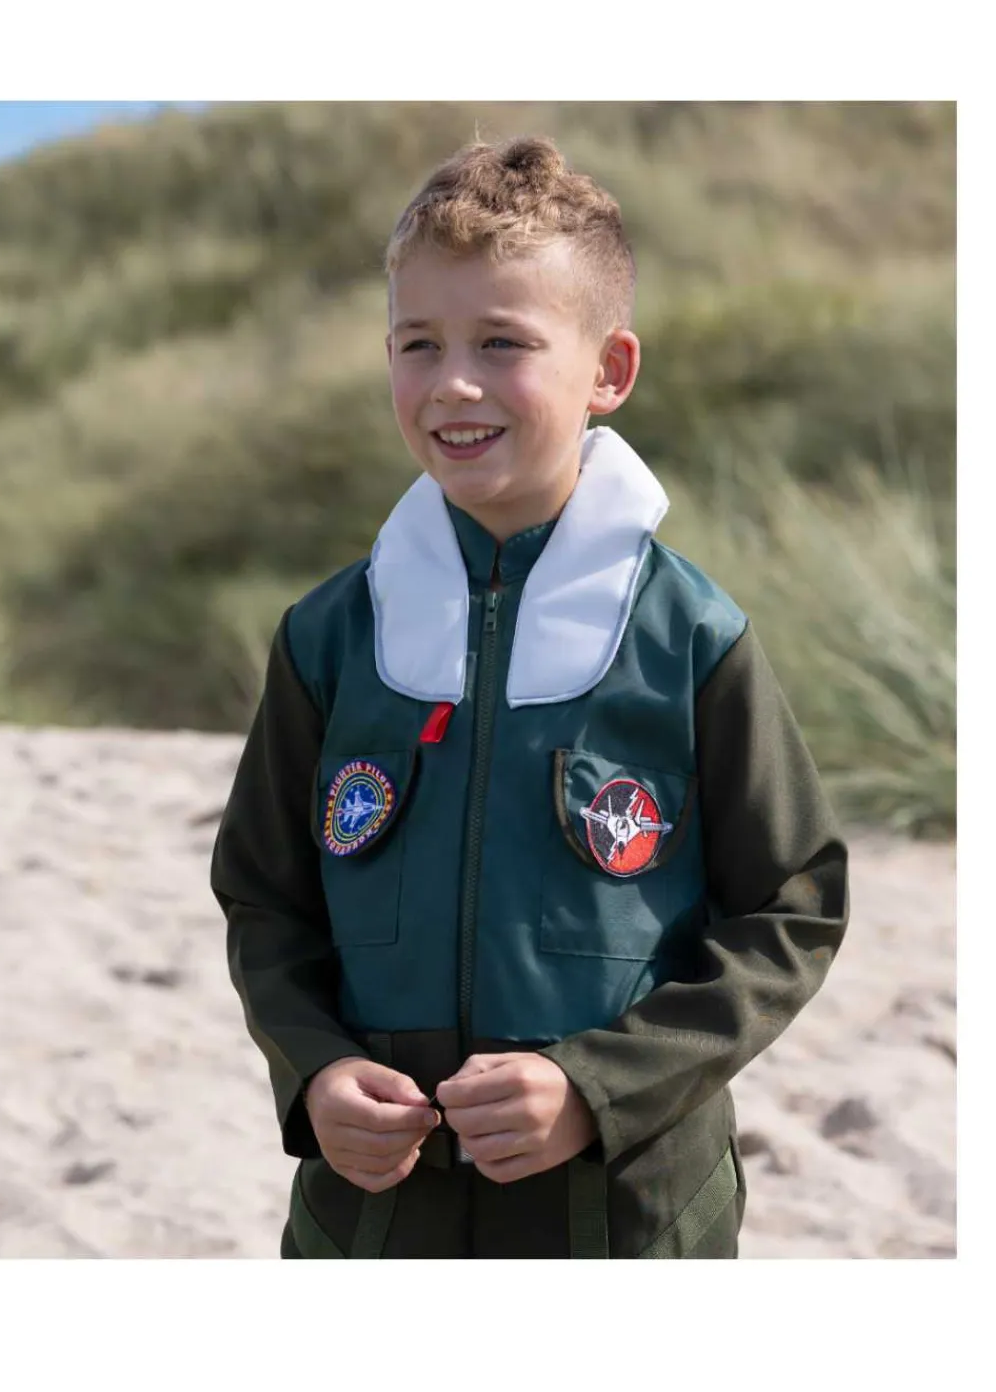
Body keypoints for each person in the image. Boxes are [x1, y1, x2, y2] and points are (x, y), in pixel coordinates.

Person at [210, 135, 849, 1259]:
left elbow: (790, 907)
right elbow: (266, 898)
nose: (452, 382)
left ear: (609, 370)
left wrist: (598, 1087)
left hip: (626, 1219)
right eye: (418, 343)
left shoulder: (689, 636)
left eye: (501, 342)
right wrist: (315, 1070)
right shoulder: (330, 636)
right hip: (374, 1219)